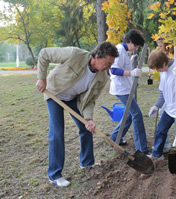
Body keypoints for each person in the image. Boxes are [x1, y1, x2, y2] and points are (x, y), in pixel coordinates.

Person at [35, 42, 119, 187]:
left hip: (73, 98)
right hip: (55, 94)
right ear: (97, 56)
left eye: (111, 64)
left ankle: (87, 163)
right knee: (57, 132)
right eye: (107, 63)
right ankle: (55, 175)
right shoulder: (74, 54)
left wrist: (89, 119)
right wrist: (42, 78)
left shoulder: (102, 77)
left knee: (86, 128)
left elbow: (89, 100)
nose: (109, 68)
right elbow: (44, 54)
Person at [109, 29, 149, 154]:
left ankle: (115, 138)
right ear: (129, 41)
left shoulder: (124, 51)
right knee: (136, 114)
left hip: (125, 88)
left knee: (130, 114)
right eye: (135, 45)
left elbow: (121, 66)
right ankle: (141, 149)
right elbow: (114, 70)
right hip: (121, 89)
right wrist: (131, 73)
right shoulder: (120, 50)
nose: (135, 48)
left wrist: (130, 64)